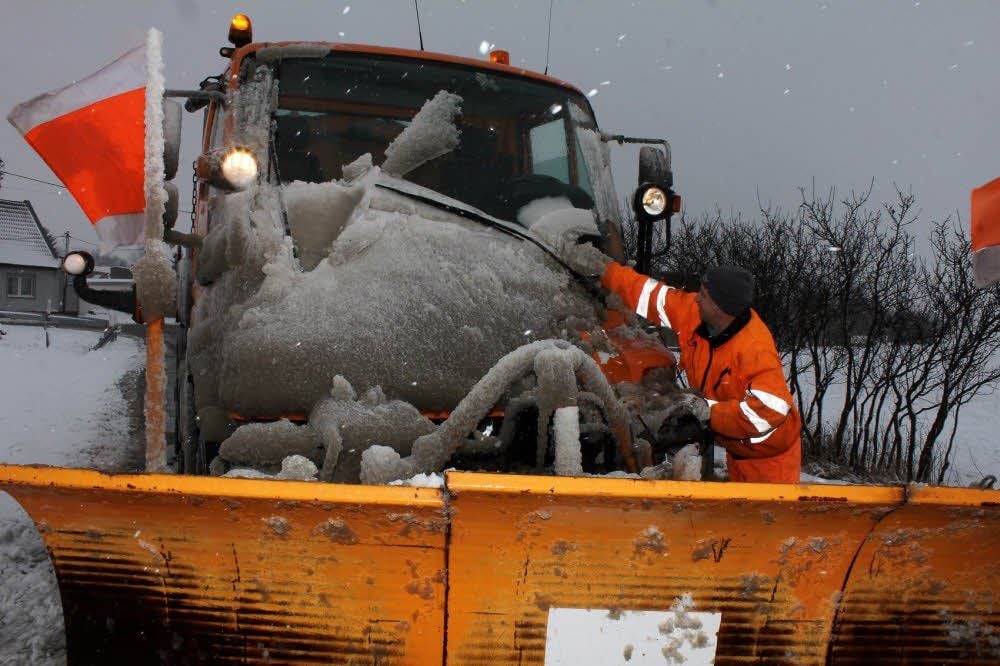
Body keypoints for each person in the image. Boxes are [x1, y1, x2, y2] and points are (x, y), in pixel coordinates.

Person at [560, 239, 802, 483]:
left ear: (721, 307)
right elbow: (648, 294)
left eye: (705, 296)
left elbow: (771, 410)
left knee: (765, 519)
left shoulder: (754, 349)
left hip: (770, 459)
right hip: (737, 449)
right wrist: (605, 270)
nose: (696, 298)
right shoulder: (694, 313)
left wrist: (710, 412)